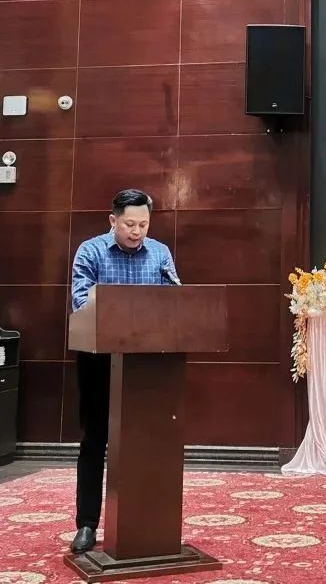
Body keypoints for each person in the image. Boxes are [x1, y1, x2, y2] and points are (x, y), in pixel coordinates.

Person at [68, 189, 179, 555]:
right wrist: (122, 311)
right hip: (99, 359)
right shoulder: (90, 251)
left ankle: (146, 524)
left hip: (147, 363)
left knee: (147, 440)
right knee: (95, 439)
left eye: (143, 224)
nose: (137, 231)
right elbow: (80, 301)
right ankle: (87, 524)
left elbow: (174, 301)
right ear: (112, 220)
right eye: (130, 224)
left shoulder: (160, 253)